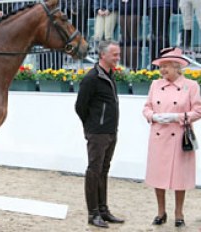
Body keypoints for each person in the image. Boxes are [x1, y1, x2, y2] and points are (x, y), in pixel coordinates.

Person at [143, 47, 201, 228]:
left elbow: (198, 111)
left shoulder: (191, 86)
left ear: (177, 67)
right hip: (159, 136)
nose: (162, 70)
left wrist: (178, 117)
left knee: (179, 178)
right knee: (158, 176)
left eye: (165, 66)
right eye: (160, 66)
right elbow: (146, 107)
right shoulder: (155, 85)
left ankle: (179, 213)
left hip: (180, 137)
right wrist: (153, 116)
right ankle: (161, 212)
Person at [75, 40, 124, 228]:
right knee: (94, 170)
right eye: (115, 55)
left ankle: (103, 210)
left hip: (110, 131)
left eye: (118, 54)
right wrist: (92, 126)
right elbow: (80, 106)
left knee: (103, 170)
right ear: (103, 55)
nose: (118, 58)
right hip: (98, 132)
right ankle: (93, 213)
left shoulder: (109, 75)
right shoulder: (92, 78)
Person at [147, 0, 179, 68]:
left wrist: (174, 7)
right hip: (152, 5)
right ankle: (155, 61)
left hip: (164, 4)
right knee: (155, 35)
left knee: (161, 34)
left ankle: (164, 61)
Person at [119, 0, 144, 70]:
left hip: (135, 10)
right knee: (124, 41)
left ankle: (133, 67)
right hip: (123, 10)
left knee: (133, 40)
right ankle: (124, 66)